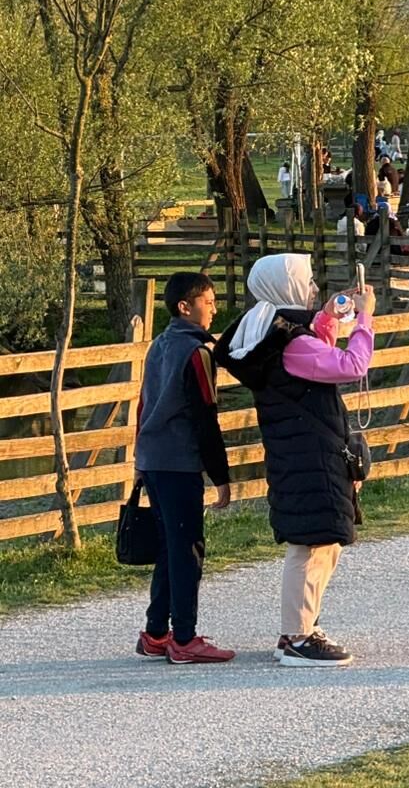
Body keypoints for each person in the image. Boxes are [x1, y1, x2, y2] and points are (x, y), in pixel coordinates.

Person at [216, 254, 373, 667]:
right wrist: (365, 321)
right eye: (307, 282)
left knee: (322, 542)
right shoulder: (291, 344)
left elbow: (317, 356)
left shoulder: (276, 336)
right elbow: (351, 365)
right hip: (310, 455)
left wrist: (328, 318)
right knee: (312, 543)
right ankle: (297, 638)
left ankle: (301, 627)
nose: (314, 289)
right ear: (287, 287)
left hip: (301, 452)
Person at [132, 272, 235, 665]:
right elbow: (205, 417)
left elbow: (143, 405)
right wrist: (220, 476)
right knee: (188, 548)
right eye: (207, 302)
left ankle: (156, 632)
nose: (213, 309)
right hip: (179, 462)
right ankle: (185, 638)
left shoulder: (158, 345)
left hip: (152, 458)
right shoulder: (196, 354)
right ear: (184, 307)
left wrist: (139, 460)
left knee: (168, 546)